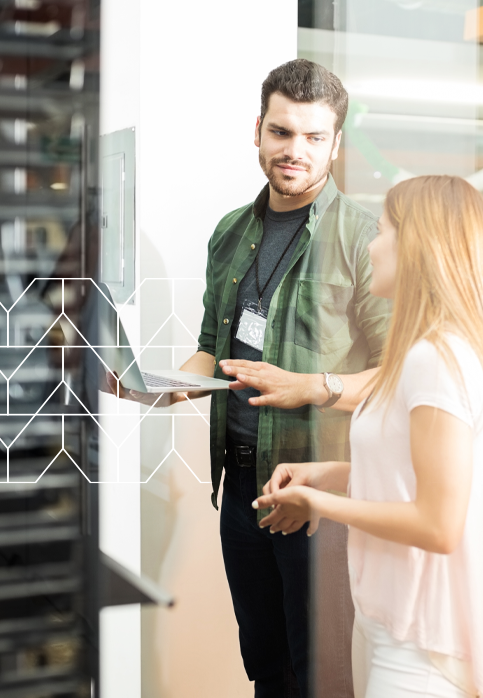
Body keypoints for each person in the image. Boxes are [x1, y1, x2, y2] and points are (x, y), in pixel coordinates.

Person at [109, 59, 390, 697]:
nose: (295, 151)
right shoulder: (230, 234)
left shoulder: (365, 239)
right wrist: (152, 385)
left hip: (322, 498)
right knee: (266, 667)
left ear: (336, 145)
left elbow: (398, 374)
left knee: (322, 675)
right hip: (240, 486)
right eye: (283, 132)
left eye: (314, 138)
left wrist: (314, 386)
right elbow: (213, 351)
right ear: (258, 129)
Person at [253, 175, 483, 698]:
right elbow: (414, 477)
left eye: (382, 232)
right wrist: (331, 476)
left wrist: (320, 503)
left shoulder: (437, 361)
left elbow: (437, 524)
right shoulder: (423, 354)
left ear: (418, 248)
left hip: (422, 643)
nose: (372, 246)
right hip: (388, 619)